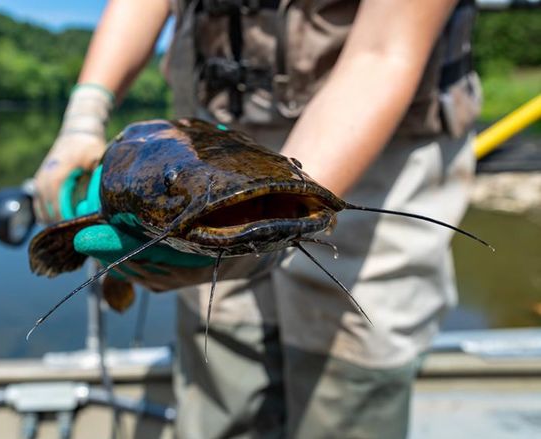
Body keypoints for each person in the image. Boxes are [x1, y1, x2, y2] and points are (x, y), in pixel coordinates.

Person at [33, 0, 482, 437]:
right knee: (223, 363)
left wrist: (291, 197)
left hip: (377, 149)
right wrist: (84, 115)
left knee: (350, 373)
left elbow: (383, 52)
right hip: (200, 141)